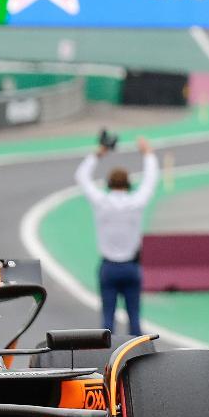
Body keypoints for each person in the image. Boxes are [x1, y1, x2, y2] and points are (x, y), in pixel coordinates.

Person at [74, 136, 159, 337]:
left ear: (108, 183)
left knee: (107, 321)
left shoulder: (101, 202)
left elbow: (82, 176)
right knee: (135, 321)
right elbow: (150, 180)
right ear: (128, 184)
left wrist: (98, 153)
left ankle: (106, 361)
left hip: (109, 267)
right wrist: (148, 154)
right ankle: (138, 361)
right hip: (131, 267)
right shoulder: (136, 202)